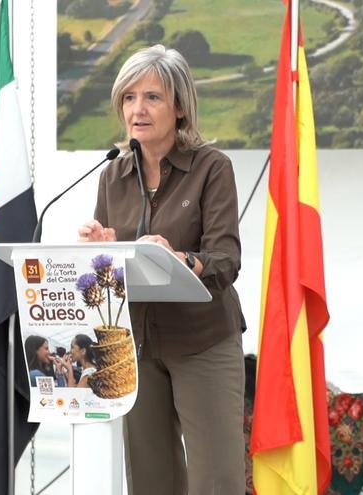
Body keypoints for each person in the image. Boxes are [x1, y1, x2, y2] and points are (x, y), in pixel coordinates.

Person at [78, 45, 245, 494]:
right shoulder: (112, 174)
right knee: (151, 480)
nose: (138, 109)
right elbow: (108, 270)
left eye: (152, 97)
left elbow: (226, 259)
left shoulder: (212, 167)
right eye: (129, 98)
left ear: (179, 107)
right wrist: (102, 252)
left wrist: (181, 260)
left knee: (216, 479)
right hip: (138, 343)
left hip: (202, 341)